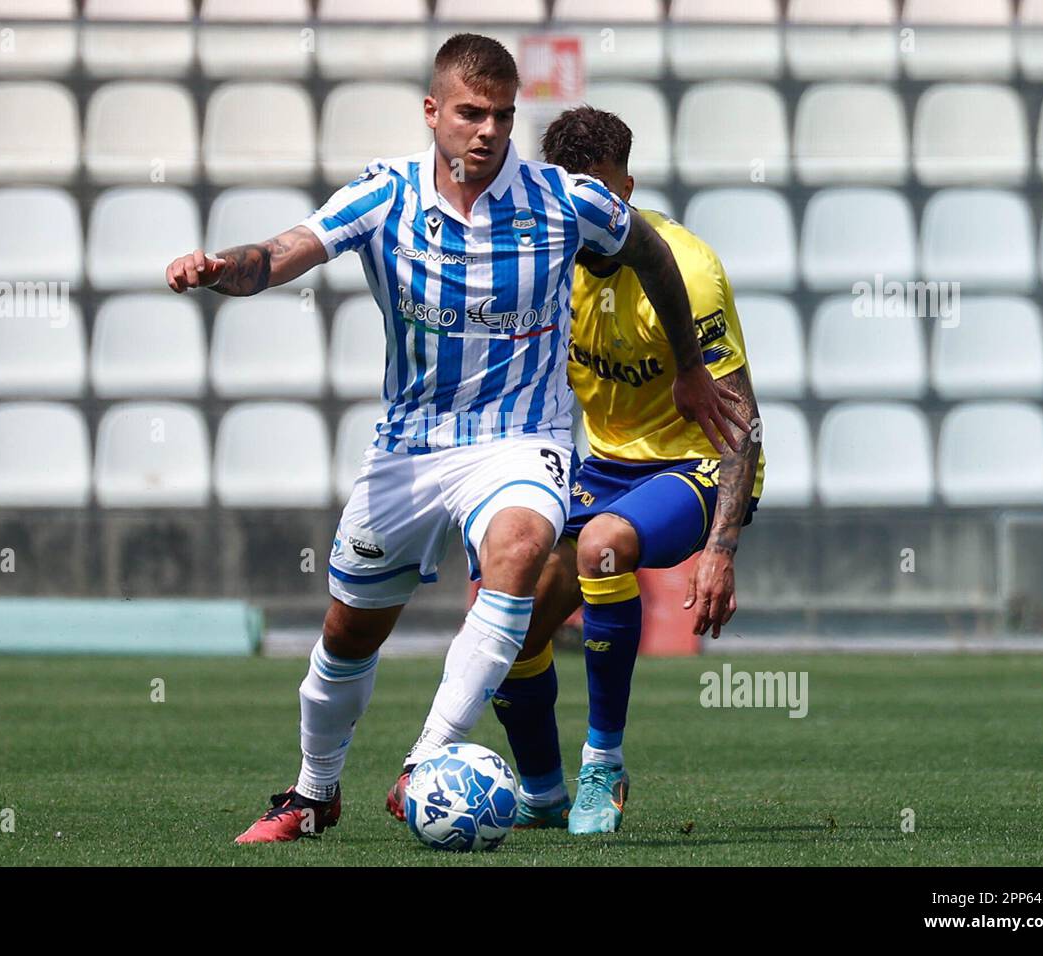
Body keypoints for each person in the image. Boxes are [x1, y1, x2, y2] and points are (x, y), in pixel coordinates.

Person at [165, 36, 746, 844]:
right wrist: (222, 269)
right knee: (348, 632)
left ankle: (427, 762)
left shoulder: (560, 200)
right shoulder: (385, 195)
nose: (486, 131)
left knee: (520, 545)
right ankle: (312, 792)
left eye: (502, 116)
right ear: (433, 112)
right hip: (409, 444)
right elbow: (283, 252)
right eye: (470, 113)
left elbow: (646, 248)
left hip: (520, 439)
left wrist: (688, 364)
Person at [385, 106, 766, 835]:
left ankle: (604, 765)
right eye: (581, 197)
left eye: (610, 197)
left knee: (602, 548)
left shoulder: (687, 269)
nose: (600, 214)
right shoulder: (543, 266)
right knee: (504, 614)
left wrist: (721, 548)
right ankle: (542, 793)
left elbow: (741, 420)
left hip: (695, 465)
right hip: (603, 468)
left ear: (629, 185)